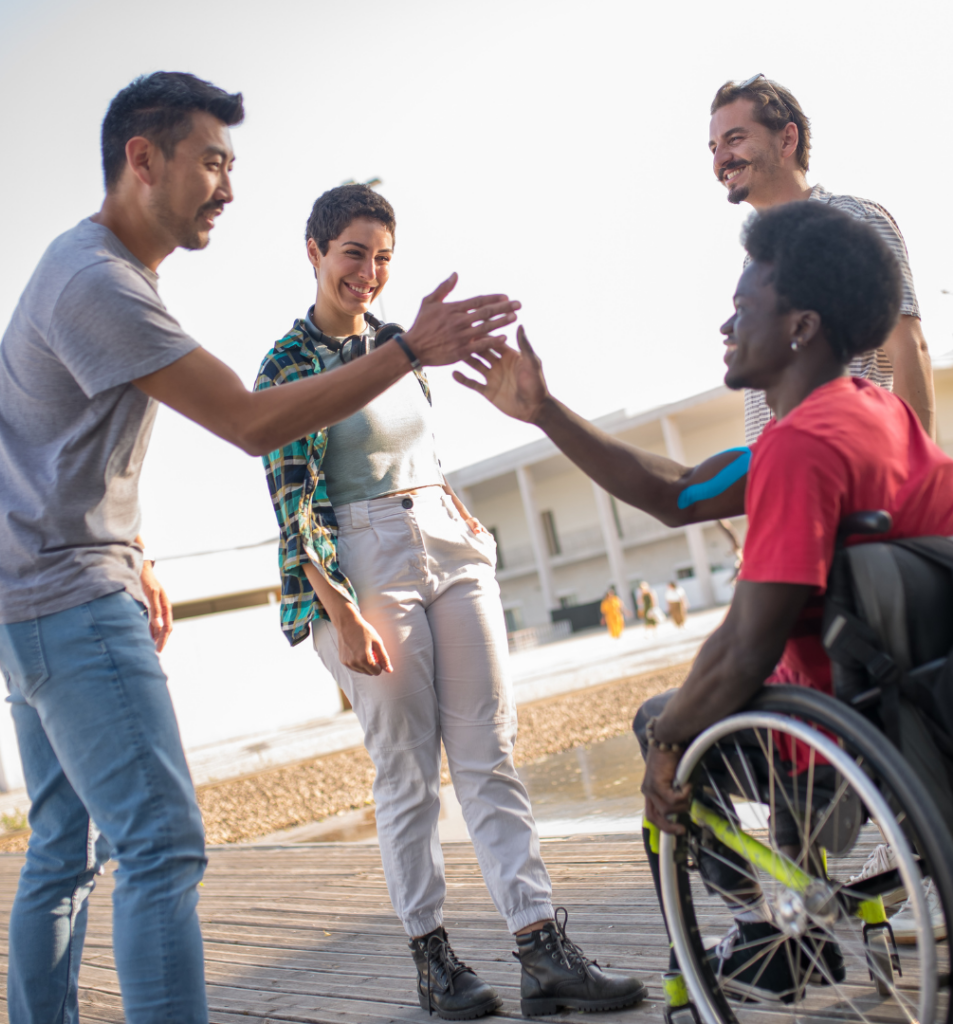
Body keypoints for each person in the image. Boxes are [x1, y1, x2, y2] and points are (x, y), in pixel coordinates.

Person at [0, 73, 522, 1024]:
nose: (229, 189)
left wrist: (135, 543)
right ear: (144, 159)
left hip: (20, 586)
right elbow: (253, 424)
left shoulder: (93, 269)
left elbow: (59, 441)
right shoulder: (100, 283)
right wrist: (406, 352)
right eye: (213, 162)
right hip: (65, 596)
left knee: (61, 848)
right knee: (162, 847)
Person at [456, 200, 953, 1001]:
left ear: (800, 327)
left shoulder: (800, 447)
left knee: (668, 721)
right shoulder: (873, 412)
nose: (726, 326)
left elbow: (743, 645)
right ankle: (791, 916)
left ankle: (767, 935)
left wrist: (667, 746)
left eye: (741, 308)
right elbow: (680, 491)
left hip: (850, 739)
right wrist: (545, 411)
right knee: (746, 701)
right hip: (924, 712)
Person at [254, 184, 647, 1020]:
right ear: (315, 252)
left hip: (446, 541)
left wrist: (450, 501)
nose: (370, 272)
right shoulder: (286, 364)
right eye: (354, 252)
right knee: (406, 771)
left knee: (490, 754)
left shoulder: (399, 344)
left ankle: (542, 948)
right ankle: (434, 962)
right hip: (361, 562)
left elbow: (412, 451)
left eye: (384, 256)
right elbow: (293, 503)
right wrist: (339, 608)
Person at [708, 75, 934, 443]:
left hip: (855, 473)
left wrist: (912, 483)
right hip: (791, 481)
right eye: (713, 147)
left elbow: (908, 348)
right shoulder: (754, 262)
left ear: (787, 139)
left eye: (735, 139)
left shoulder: (852, 220)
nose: (720, 159)